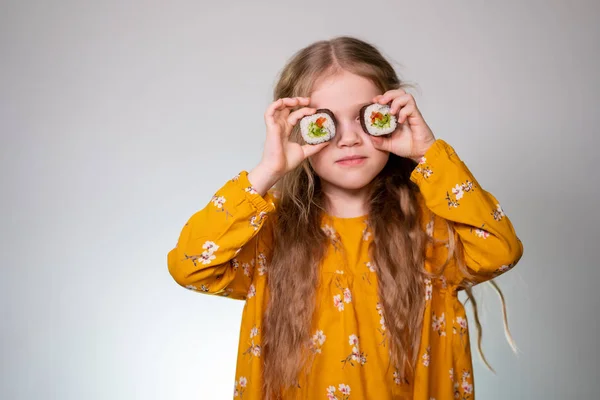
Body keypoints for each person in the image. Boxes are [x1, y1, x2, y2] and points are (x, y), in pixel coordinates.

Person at [167, 36, 523, 400]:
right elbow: (190, 265)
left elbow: (500, 251)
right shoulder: (269, 237)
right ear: (296, 130)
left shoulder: (428, 229)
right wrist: (268, 170)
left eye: (366, 117)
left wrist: (428, 153)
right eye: (324, 123)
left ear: (393, 116)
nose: (349, 138)